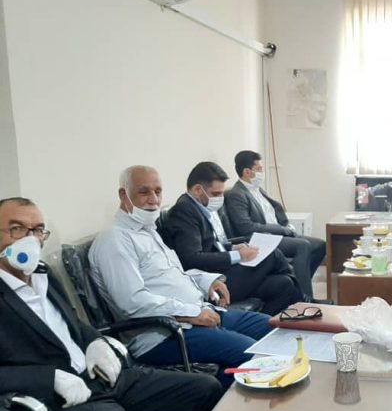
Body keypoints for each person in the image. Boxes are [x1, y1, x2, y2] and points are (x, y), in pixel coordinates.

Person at [0, 197, 221, 411]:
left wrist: (95, 343)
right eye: (17, 228)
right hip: (60, 404)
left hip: (101, 378)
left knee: (206, 390)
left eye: (38, 230)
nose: (31, 239)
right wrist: (49, 378)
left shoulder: (43, 274)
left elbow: (74, 324)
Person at [89, 166, 274, 387]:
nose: (154, 200)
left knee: (272, 328)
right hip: (164, 335)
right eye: (144, 192)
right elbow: (132, 302)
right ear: (123, 194)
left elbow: (173, 276)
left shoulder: (147, 231)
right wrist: (192, 313)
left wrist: (207, 281)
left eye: (158, 191)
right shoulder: (115, 240)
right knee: (253, 355)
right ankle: (225, 406)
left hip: (199, 313)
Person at [162, 161, 302, 315]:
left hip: (221, 271)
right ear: (197, 190)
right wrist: (237, 255)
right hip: (211, 282)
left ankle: (265, 325)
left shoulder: (200, 208)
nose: (220, 198)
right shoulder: (184, 211)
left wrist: (233, 247)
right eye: (216, 194)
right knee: (272, 255)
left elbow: (211, 245)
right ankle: (302, 302)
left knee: (284, 284)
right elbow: (192, 258)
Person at [225, 150, 326, 303]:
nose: (262, 172)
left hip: (279, 233)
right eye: (259, 169)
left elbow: (273, 210)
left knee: (320, 246)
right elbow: (246, 227)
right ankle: (305, 300)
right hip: (263, 238)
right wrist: (281, 229)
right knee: (303, 246)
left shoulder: (256, 188)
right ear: (247, 172)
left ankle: (297, 288)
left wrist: (285, 224)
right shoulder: (237, 194)